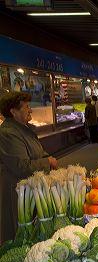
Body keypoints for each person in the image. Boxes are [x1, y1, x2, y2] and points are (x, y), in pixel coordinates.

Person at [0, 91, 57, 243]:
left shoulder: (24, 129)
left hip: (33, 190)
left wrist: (47, 157)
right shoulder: (8, 134)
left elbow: (37, 151)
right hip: (19, 195)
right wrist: (48, 162)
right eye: (26, 107)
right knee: (21, 236)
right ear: (13, 112)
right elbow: (21, 166)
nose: (30, 110)